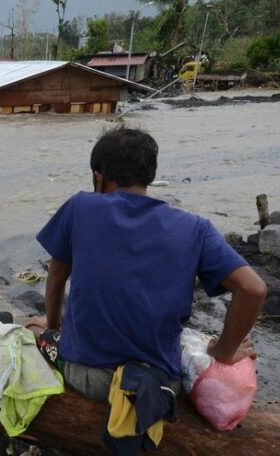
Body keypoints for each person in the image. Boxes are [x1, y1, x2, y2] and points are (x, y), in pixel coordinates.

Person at [28, 127, 265, 406]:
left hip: (89, 377)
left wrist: (54, 326)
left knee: (33, 330)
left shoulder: (80, 207)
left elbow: (56, 279)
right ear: (149, 175)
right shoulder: (195, 227)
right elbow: (253, 289)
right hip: (161, 383)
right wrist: (224, 352)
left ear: (98, 177)